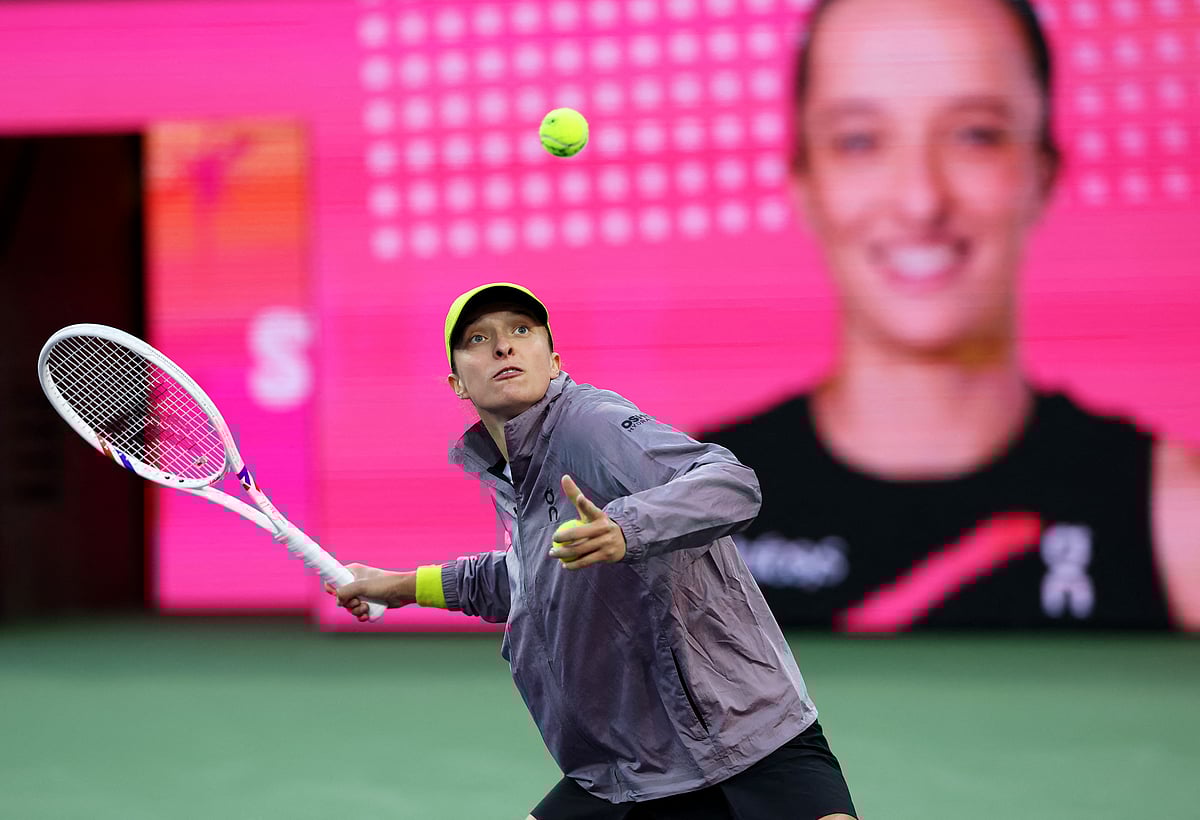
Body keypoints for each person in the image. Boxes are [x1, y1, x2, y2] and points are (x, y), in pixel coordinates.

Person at [705, 0, 1200, 631]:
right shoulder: (681, 508)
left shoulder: (1178, 519)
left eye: (976, 134)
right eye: (859, 140)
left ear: (1043, 173)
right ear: (805, 183)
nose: (920, 200)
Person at [327, 282, 858, 819]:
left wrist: (627, 527)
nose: (503, 346)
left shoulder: (590, 424)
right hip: (629, 767)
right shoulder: (514, 469)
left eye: (521, 330)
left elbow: (730, 484)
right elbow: (527, 580)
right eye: (478, 339)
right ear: (457, 382)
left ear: (553, 359)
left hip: (743, 741)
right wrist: (397, 586)